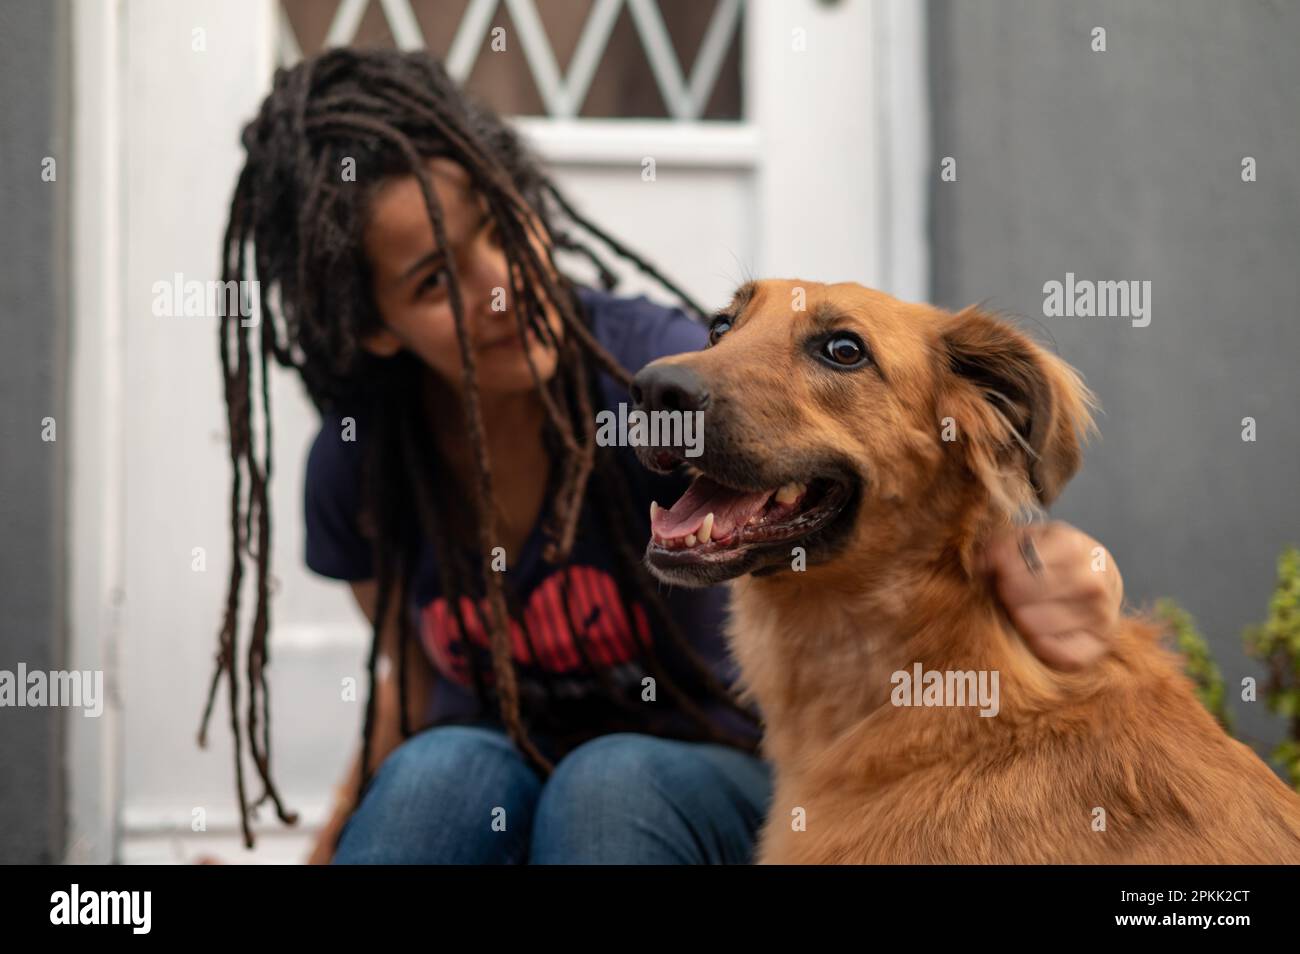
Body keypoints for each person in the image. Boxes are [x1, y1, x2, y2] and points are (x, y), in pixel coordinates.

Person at [201, 48, 1124, 864]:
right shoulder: (361, 469)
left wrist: (1068, 563)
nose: (504, 287)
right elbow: (411, 688)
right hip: (498, 782)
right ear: (374, 328)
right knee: (435, 768)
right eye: (438, 280)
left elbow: (908, 505)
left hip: (697, 795)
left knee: (609, 782)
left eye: (498, 220)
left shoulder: (670, 385)